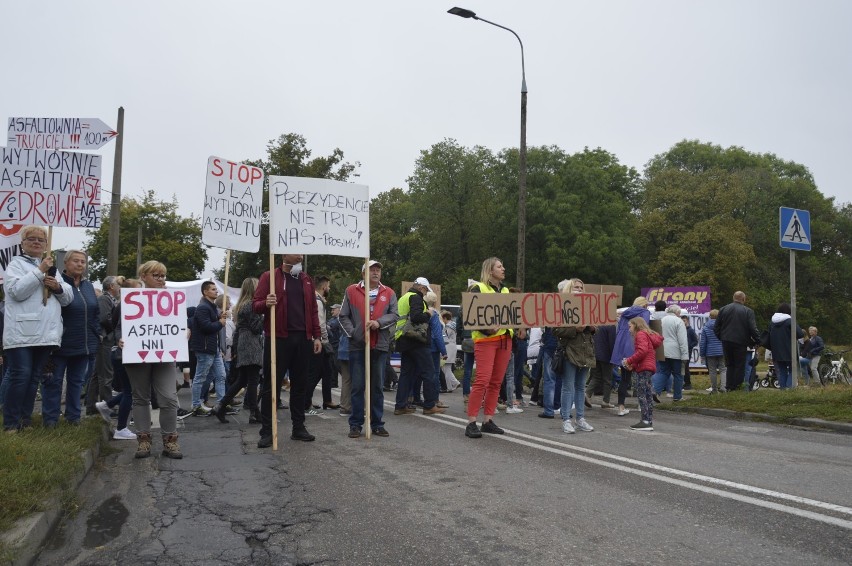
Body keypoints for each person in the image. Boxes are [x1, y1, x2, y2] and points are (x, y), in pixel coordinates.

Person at [2, 226, 73, 431]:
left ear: (45, 245)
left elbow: (67, 299)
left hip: (44, 334)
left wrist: (57, 287)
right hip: (21, 333)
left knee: (33, 378)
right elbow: (16, 292)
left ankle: (25, 419)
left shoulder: (52, 268)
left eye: (41, 240)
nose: (37, 242)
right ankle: (10, 423)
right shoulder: (15, 265)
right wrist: (39, 272)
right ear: (22, 244)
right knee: (20, 376)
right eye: (31, 239)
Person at [252, 254, 323, 448]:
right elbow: (255, 305)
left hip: (303, 338)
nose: (300, 254)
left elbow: (313, 311)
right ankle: (267, 430)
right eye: (295, 250)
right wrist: (266, 303)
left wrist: (317, 336)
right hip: (278, 337)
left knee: (299, 385)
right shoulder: (269, 277)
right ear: (283, 254)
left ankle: (298, 427)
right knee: (271, 385)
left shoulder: (306, 279)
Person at [122, 261, 182, 459]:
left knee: (169, 398)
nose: (160, 279)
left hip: (165, 356)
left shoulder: (174, 300)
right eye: (155, 275)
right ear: (144, 277)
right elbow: (112, 324)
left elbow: (181, 324)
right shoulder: (130, 298)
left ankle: (170, 441)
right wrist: (119, 338)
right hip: (137, 355)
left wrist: (186, 330)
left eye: (163, 275)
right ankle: (144, 441)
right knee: (140, 398)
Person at [339, 260, 398, 438]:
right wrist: (355, 333)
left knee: (377, 387)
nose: (375, 272)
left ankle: (377, 423)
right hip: (358, 346)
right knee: (357, 386)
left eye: (378, 269)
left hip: (379, 345)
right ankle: (355, 424)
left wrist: (378, 323)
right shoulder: (351, 290)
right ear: (364, 272)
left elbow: (395, 315)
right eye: (372, 269)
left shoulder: (388, 292)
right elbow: (343, 316)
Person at [43, 250, 100, 428]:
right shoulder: (55, 283)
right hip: (59, 343)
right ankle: (50, 420)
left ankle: (73, 419)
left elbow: (95, 313)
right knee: (53, 382)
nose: (80, 264)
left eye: (83, 262)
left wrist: (96, 333)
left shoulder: (88, 286)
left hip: (84, 344)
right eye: (75, 261)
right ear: (65, 264)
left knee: (77, 382)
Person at [465, 257, 512, 438]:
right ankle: (471, 422)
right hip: (486, 340)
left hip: (505, 339)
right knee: (482, 380)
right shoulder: (478, 288)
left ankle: (487, 420)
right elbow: (468, 311)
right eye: (499, 266)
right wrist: (485, 328)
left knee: (495, 382)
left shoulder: (506, 290)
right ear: (490, 270)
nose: (503, 269)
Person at [214, 277, 262, 424]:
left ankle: (221, 405)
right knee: (252, 379)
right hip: (250, 343)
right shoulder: (252, 305)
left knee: (242, 380)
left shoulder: (242, 305)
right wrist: (264, 316)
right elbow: (256, 327)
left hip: (243, 342)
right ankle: (254, 412)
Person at [96, 276, 139, 439]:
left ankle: (107, 405)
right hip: (122, 354)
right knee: (130, 391)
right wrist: (119, 339)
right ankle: (121, 428)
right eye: (139, 288)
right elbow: (115, 326)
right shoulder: (124, 306)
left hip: (124, 354)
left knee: (132, 390)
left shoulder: (123, 305)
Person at [394, 277, 443, 416]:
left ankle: (400, 405)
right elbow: (416, 317)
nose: (426, 293)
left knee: (405, 374)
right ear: (421, 287)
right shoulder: (416, 297)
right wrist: (428, 313)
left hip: (403, 339)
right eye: (426, 290)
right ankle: (429, 405)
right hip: (416, 339)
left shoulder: (404, 297)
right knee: (429, 372)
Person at [553, 278, 596, 433]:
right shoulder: (561, 307)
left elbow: (594, 329)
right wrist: (575, 329)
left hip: (585, 351)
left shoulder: (589, 306)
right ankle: (566, 419)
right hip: (570, 351)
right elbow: (556, 330)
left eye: (581, 287)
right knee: (568, 386)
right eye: (575, 287)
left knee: (580, 387)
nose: (579, 290)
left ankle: (580, 418)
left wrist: (592, 328)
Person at [189, 281, 228, 416]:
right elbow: (206, 327)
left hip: (213, 348)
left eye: (216, 289)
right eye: (213, 289)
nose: (216, 291)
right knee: (200, 377)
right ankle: (196, 405)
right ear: (205, 292)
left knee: (220, 375)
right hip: (205, 348)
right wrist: (220, 323)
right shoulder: (203, 308)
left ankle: (221, 404)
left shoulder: (210, 307)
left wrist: (219, 317)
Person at [610, 297, 651, 416]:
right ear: (644, 305)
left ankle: (621, 407)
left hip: (622, 346)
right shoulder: (644, 313)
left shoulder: (625, 313)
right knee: (641, 377)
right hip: (636, 345)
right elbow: (645, 329)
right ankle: (641, 405)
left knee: (624, 379)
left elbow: (618, 330)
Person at [86, 275, 120, 415]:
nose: (119, 288)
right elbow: (105, 318)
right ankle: (107, 405)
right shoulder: (104, 299)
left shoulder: (107, 299)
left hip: (104, 339)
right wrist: (116, 328)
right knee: (106, 374)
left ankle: (92, 406)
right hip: (105, 340)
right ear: (111, 286)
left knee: (97, 375)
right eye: (118, 284)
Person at [714, 291, 761, 392]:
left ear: (733, 298)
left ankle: (729, 386)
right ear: (743, 299)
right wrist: (758, 340)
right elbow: (753, 328)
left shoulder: (723, 309)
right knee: (739, 365)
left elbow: (716, 327)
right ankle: (737, 387)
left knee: (729, 364)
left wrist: (721, 337)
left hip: (726, 341)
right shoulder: (748, 311)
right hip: (741, 342)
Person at [623, 317, 664, 431]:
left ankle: (645, 421)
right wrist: (634, 365)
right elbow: (645, 354)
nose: (629, 329)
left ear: (636, 325)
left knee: (642, 394)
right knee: (648, 394)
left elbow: (642, 351)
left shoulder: (640, 334)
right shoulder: (646, 334)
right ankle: (648, 420)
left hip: (644, 368)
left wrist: (629, 361)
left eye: (630, 326)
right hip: (648, 367)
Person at [305, 276, 337, 411]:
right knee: (315, 373)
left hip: (318, 341)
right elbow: (320, 323)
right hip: (319, 342)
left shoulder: (316, 299)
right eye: (328, 286)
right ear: (324, 287)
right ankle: (306, 403)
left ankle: (327, 400)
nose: (329, 288)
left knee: (327, 371)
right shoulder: (317, 301)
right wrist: (324, 339)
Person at [653, 305, 689, 401]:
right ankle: (677, 396)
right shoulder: (679, 321)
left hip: (662, 350)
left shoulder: (661, 320)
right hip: (676, 352)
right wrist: (685, 355)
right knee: (678, 374)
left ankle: (654, 390)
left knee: (663, 372)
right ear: (677, 312)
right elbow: (682, 340)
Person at [767, 303, 803, 389]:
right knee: (792, 370)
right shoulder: (789, 321)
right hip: (789, 350)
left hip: (776, 351)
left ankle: (783, 389)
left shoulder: (772, 322)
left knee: (782, 371)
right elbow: (800, 333)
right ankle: (789, 388)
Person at [587, 322, 616, 409]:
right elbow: (612, 342)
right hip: (606, 355)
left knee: (596, 377)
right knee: (607, 379)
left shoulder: (596, 324)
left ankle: (587, 393)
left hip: (595, 354)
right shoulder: (611, 325)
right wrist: (614, 357)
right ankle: (606, 401)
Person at [699, 309, 726, 393]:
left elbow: (703, 342)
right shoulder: (723, 326)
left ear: (710, 316)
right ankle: (723, 387)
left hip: (710, 352)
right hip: (722, 350)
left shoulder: (705, 327)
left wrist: (702, 354)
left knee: (712, 370)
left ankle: (714, 389)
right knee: (723, 369)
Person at [441, 310, 461, 392]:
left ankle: (455, 383)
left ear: (445, 318)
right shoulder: (454, 324)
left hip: (448, 348)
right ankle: (450, 387)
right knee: (445, 368)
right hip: (452, 347)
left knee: (445, 368)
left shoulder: (448, 326)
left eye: (442, 319)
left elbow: (445, 337)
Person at [681, 313, 698, 390]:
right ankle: (682, 383)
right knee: (681, 367)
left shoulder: (690, 330)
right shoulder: (679, 329)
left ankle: (688, 383)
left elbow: (695, 341)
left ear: (687, 321)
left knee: (686, 367)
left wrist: (689, 346)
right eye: (682, 321)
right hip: (680, 351)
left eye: (684, 320)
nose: (683, 322)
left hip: (688, 351)